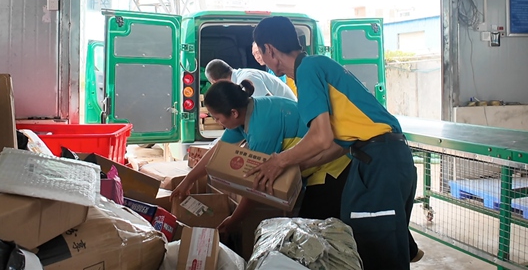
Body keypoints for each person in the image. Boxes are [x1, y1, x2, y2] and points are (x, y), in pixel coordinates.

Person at [249, 16, 420, 269]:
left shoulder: (307, 70)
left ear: (270, 49)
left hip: (379, 161)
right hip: (382, 159)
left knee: (375, 248)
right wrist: (295, 170)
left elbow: (320, 137)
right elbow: (332, 146)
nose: (262, 59)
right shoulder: (318, 66)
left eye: (261, 52)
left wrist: (279, 161)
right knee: (365, 236)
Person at [171, 80, 350, 231]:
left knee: (313, 230)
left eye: (217, 118)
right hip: (313, 165)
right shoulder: (248, 112)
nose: (218, 122)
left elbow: (257, 185)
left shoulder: (261, 129)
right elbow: (218, 152)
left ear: (233, 113)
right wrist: (189, 180)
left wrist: (233, 221)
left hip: (333, 166)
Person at [205, 58, 296, 100]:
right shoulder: (239, 78)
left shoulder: (247, 80)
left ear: (215, 82)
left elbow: (268, 107)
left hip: (290, 118)